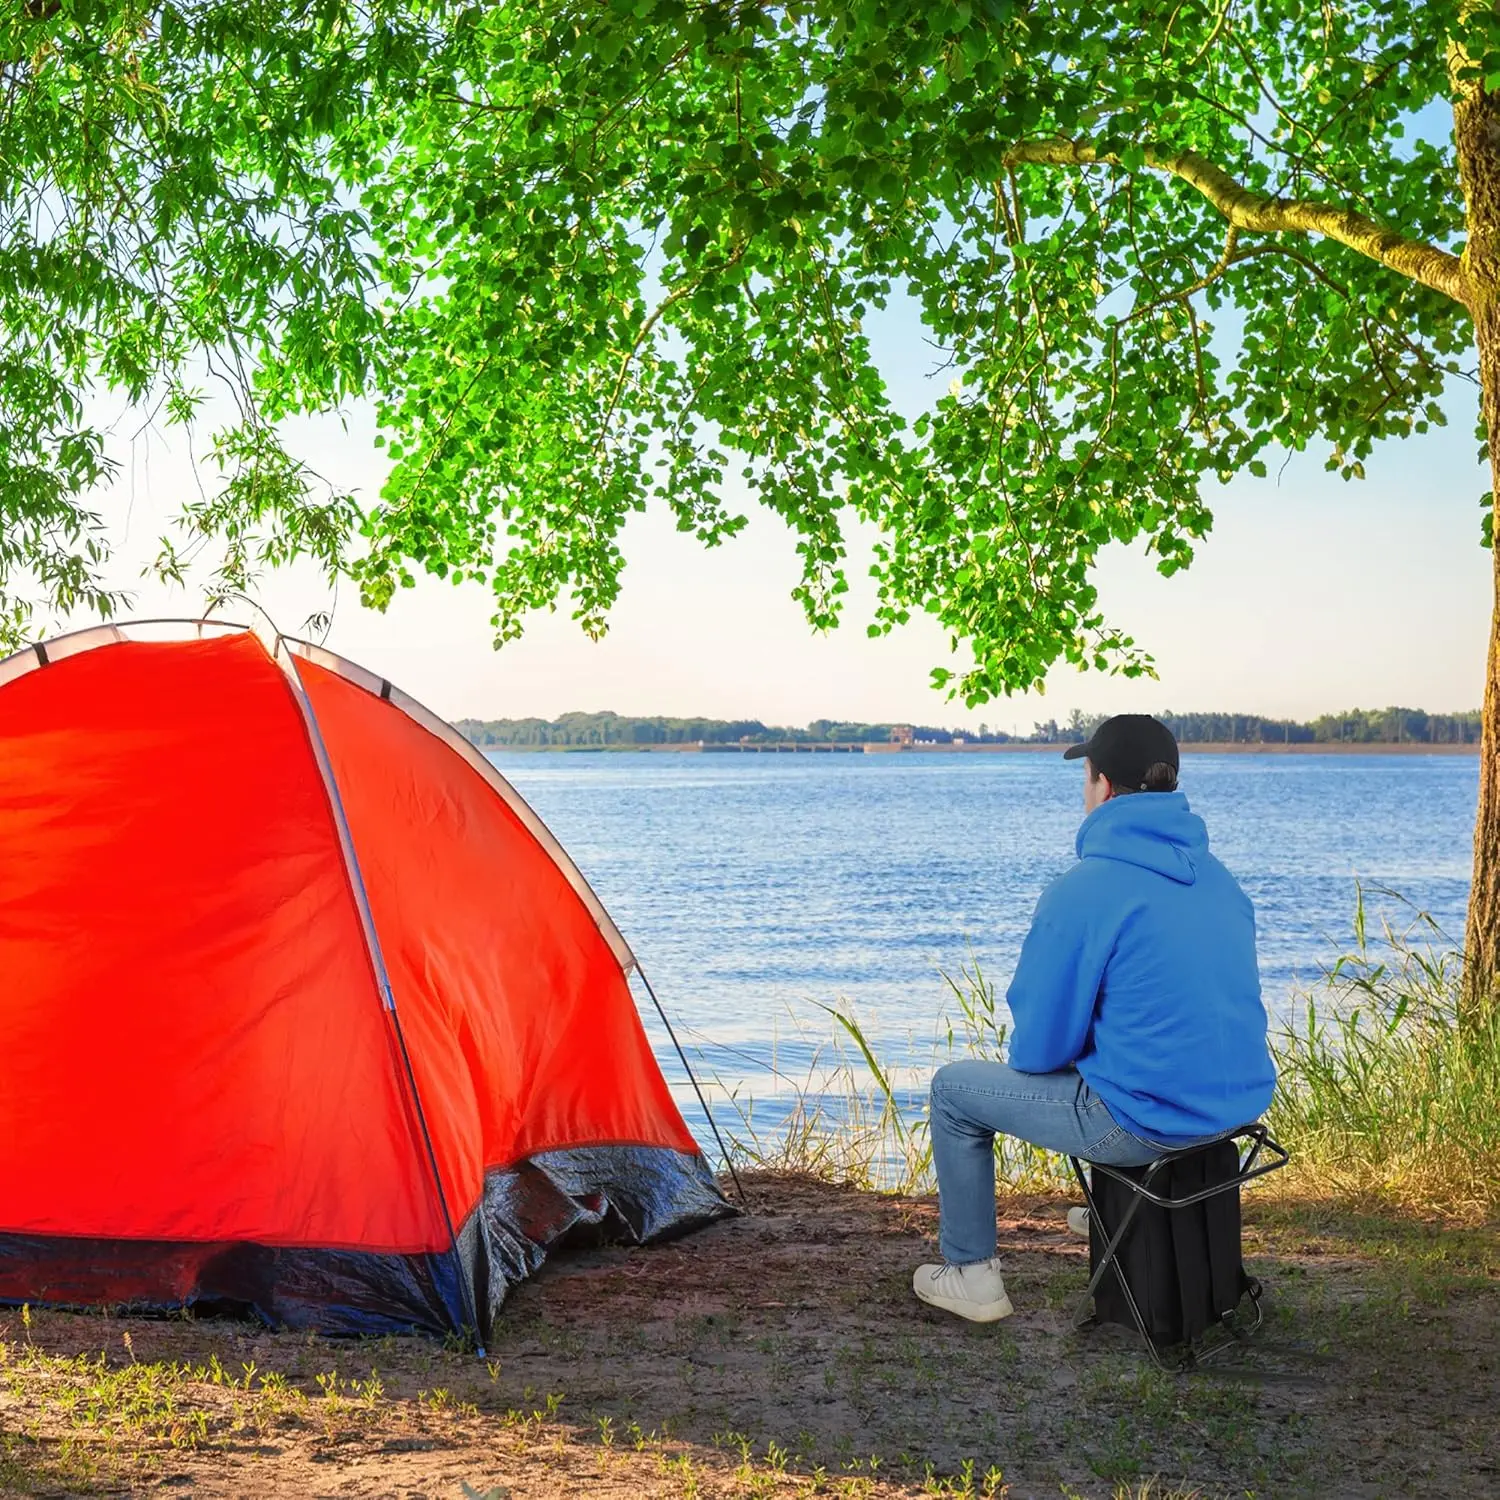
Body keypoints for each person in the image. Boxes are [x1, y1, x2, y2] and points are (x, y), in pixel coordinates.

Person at [913, 714, 1276, 1322]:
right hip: (1233, 1112)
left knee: (953, 1092)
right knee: (1121, 1055)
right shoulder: (1219, 880)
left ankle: (971, 1274)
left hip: (1149, 1124)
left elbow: (1038, 1050)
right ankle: (1113, 1211)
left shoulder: (1085, 888)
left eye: (1085, 778)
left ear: (1103, 786)